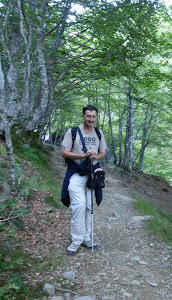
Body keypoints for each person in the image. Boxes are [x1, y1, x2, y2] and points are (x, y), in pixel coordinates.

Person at [61, 105, 107, 255]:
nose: (91, 119)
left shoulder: (99, 133)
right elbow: (64, 153)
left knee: (89, 207)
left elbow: (103, 153)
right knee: (79, 205)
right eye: (88, 116)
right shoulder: (73, 132)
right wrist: (83, 155)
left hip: (91, 175)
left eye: (93, 116)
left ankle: (86, 238)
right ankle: (76, 241)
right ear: (83, 116)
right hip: (75, 173)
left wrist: (95, 156)